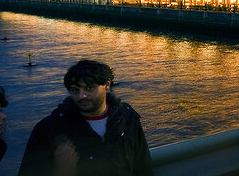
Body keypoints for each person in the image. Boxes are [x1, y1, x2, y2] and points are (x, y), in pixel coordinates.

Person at [17, 59, 152, 176]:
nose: (82, 96)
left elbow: (143, 167)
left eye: (89, 88)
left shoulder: (127, 119)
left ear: (107, 84)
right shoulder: (48, 129)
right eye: (75, 90)